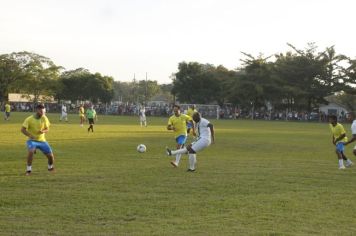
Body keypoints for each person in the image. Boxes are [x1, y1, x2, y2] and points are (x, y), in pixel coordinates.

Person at [21, 103, 55, 176]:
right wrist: (30, 135)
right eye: (41, 112)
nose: (43, 113)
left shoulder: (45, 118)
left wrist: (43, 131)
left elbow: (47, 128)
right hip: (32, 141)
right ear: (37, 110)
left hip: (42, 141)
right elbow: (23, 129)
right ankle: (29, 170)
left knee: (51, 156)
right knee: (31, 151)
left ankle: (50, 167)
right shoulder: (29, 119)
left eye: (44, 112)